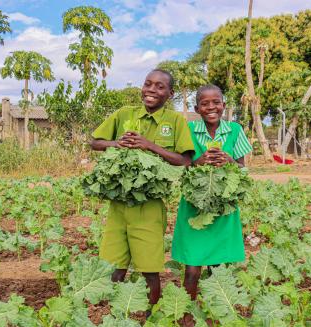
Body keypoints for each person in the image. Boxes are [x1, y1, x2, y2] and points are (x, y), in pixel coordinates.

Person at [90, 69, 195, 309]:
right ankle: (116, 316)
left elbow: (184, 160)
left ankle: (151, 319)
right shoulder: (124, 114)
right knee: (113, 268)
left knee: (149, 271)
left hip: (149, 207)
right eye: (148, 84)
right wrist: (117, 143)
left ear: (170, 93)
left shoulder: (176, 121)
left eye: (159, 87)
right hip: (119, 205)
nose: (151, 90)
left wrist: (149, 146)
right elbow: (95, 142)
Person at [171, 84, 252, 300]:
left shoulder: (235, 130)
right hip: (195, 207)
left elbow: (242, 168)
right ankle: (187, 313)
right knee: (192, 269)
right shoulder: (188, 131)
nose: (211, 107)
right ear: (197, 109)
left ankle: (216, 311)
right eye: (204, 103)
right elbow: (182, 163)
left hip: (223, 208)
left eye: (216, 102)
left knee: (218, 267)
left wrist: (229, 160)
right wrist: (199, 161)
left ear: (224, 106)